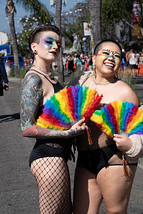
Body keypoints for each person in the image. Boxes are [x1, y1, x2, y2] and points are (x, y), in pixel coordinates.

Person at [68, 39, 143, 214]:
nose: (111, 58)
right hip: (85, 158)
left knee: (115, 211)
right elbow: (65, 116)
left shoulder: (124, 92)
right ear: (93, 58)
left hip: (114, 158)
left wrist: (131, 145)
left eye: (117, 56)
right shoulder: (79, 83)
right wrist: (66, 140)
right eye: (106, 53)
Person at [20, 25, 86, 214]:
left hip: (58, 156)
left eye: (58, 43)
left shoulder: (52, 79)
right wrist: (66, 134)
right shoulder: (34, 79)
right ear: (34, 47)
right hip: (48, 158)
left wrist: (69, 134)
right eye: (48, 42)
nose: (54, 47)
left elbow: (54, 117)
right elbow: (26, 128)